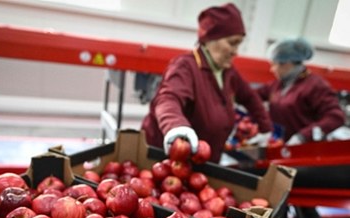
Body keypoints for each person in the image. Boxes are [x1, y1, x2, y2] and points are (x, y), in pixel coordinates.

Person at [141, 3, 273, 163]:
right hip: (168, 162)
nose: (236, 51)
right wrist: (176, 126)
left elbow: (250, 97)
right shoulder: (185, 66)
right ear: (211, 39)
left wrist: (266, 129)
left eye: (239, 44)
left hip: (204, 162)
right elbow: (168, 98)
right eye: (232, 43)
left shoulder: (227, 71)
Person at [256, 38, 346, 145]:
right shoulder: (278, 84)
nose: (272, 69)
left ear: (288, 63)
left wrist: (303, 136)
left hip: (302, 149)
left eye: (274, 64)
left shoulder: (315, 86)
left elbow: (336, 117)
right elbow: (252, 96)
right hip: (279, 144)